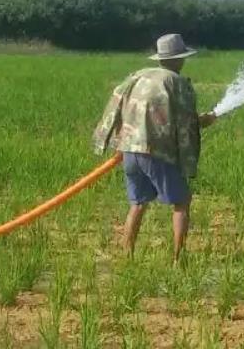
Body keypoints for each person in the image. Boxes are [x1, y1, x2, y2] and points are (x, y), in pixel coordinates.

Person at [92, 33, 217, 263]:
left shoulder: (138, 76)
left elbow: (116, 104)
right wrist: (204, 120)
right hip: (155, 151)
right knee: (181, 202)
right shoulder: (176, 82)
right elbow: (184, 120)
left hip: (129, 149)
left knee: (138, 203)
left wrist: (111, 139)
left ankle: (127, 254)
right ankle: (178, 258)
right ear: (179, 59)